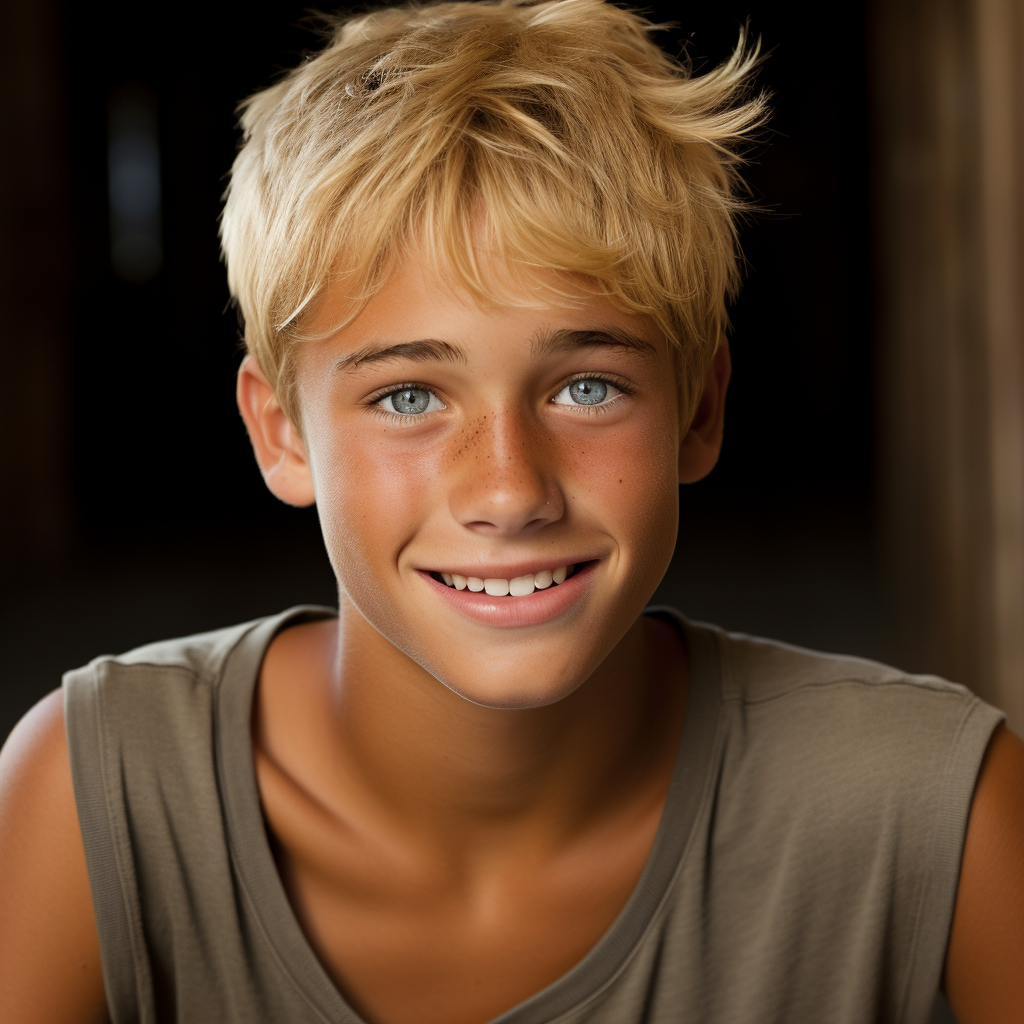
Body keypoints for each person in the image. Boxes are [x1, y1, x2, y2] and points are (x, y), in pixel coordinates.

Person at [1, 1, 1022, 1021]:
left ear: (699, 411)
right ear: (281, 435)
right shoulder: (92, 796)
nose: (508, 491)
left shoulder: (939, 801)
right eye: (408, 397)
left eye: (586, 386)